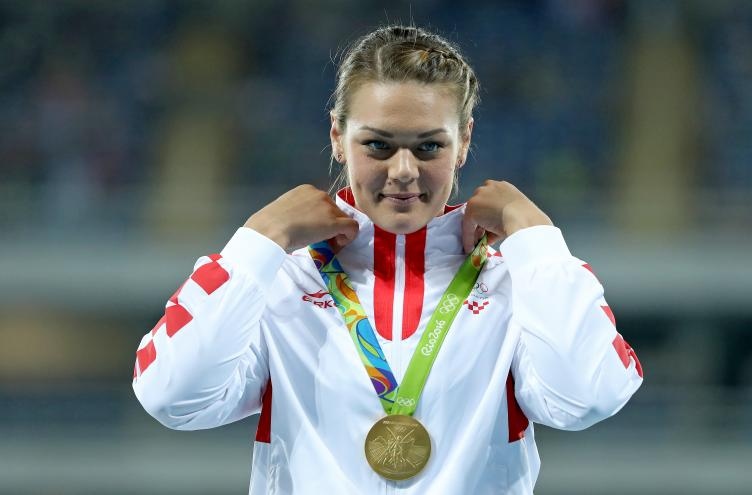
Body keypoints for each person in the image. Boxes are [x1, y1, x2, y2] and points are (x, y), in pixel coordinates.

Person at [132, 25, 643, 494]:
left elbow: (587, 398)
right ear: (337, 137)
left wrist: (534, 235)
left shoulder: (516, 283)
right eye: (377, 145)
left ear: (463, 141)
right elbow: (174, 397)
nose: (403, 170)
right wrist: (259, 239)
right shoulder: (277, 281)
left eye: (428, 147)